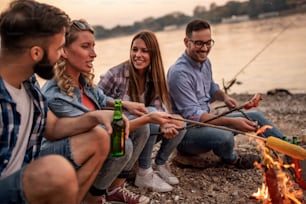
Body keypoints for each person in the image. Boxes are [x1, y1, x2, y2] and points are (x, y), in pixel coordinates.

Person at [41, 20, 179, 203]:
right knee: (123, 145)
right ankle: (92, 198)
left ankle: (115, 188)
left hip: (90, 146)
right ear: (64, 51)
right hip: (58, 159)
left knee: (140, 130)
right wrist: (149, 118)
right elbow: (102, 133)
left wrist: (126, 105)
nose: (94, 54)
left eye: (93, 46)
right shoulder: (55, 94)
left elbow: (102, 98)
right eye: (85, 47)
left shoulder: (81, 79)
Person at [0, 1, 121, 204]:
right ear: (36, 53)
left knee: (98, 137)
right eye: (58, 49)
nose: (60, 57)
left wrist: (95, 116)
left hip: (23, 173)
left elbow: (53, 127)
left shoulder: (27, 79)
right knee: (57, 171)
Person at [167, 19, 286, 169]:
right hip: (187, 135)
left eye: (208, 42)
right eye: (199, 43)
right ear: (186, 42)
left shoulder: (205, 62)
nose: (204, 48)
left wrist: (224, 97)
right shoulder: (178, 73)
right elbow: (194, 116)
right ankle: (233, 160)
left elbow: (211, 88)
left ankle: (288, 147)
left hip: (206, 123)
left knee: (255, 116)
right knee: (225, 135)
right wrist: (232, 123)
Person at [98, 30, 186, 193]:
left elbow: (159, 108)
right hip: (121, 131)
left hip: (146, 127)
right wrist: (127, 107)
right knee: (150, 114)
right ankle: (144, 172)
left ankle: (160, 164)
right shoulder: (114, 74)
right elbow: (96, 103)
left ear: (153, 54)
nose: (138, 55)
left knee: (180, 122)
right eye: (135, 49)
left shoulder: (156, 76)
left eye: (144, 51)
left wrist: (165, 123)